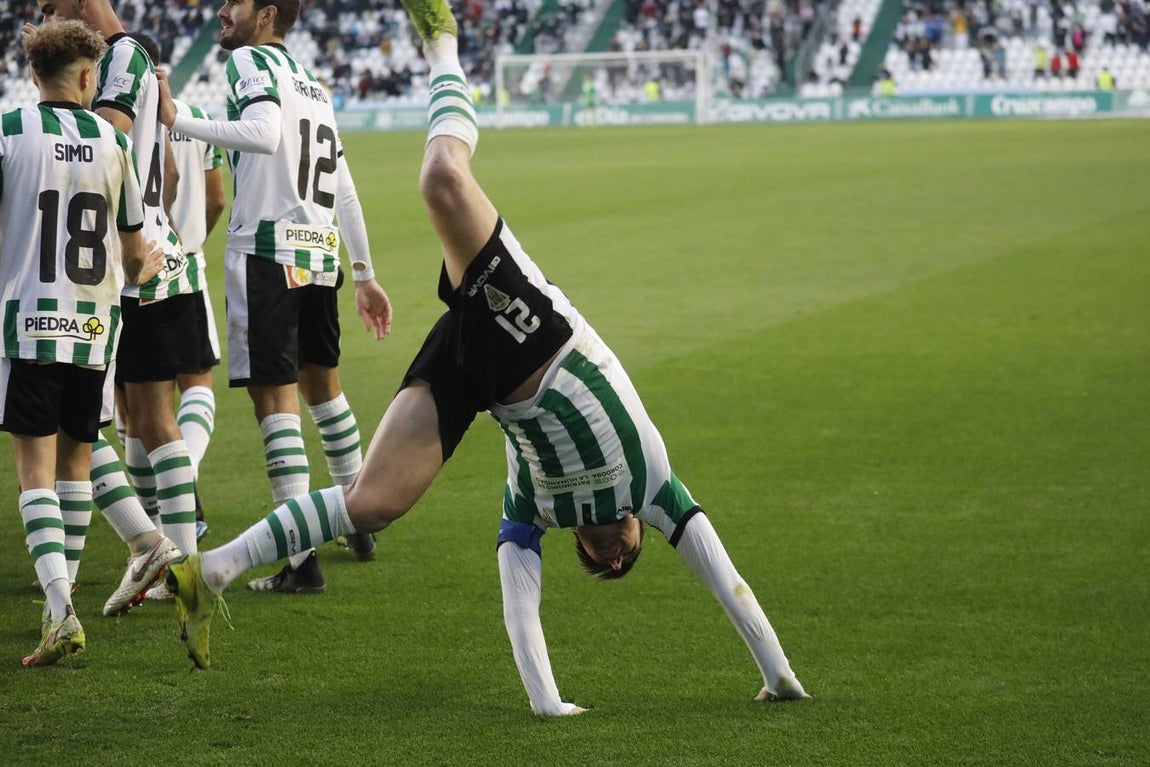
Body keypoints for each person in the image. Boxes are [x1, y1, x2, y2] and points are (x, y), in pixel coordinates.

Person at [165, 0, 809, 716]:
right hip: (541, 335)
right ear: (631, 542)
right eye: (621, 555)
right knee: (442, 181)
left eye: (598, 561)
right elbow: (727, 580)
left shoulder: (534, 499)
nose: (612, 554)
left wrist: (548, 703)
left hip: (479, 374)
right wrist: (779, 674)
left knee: (371, 503)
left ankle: (212, 569)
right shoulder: (652, 484)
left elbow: (520, 599)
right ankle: (444, 41)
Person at [154, 0, 392, 592]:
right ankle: (357, 515)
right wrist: (362, 273)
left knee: (275, 399)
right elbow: (345, 189)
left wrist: (174, 117)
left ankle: (300, 560)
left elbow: (260, 134)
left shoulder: (250, 63)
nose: (222, 13)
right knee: (323, 387)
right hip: (318, 253)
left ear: (265, 15)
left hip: (267, 252)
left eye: (233, 4)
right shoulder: (313, 87)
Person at [1, 19, 163, 665]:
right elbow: (130, 248)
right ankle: (55, 605)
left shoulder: (11, 133)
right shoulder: (111, 142)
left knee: (33, 468)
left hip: (30, 323)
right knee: (76, 461)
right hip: (95, 331)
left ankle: (61, 607)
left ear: (33, 74)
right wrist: (144, 264)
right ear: (89, 76)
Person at [30, 0, 203, 583]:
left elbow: (104, 141)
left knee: (98, 423)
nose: (48, 19)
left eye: (52, 10)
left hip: (123, 268)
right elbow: (167, 171)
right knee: (120, 419)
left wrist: (45, 83)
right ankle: (160, 554)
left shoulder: (124, 53)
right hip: (129, 256)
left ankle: (166, 557)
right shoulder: (129, 59)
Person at [128, 31, 225, 546]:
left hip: (135, 271)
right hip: (188, 263)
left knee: (138, 408)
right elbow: (214, 199)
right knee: (195, 384)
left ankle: (165, 511)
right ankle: (177, 502)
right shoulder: (191, 118)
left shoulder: (122, 120)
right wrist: (190, 246)